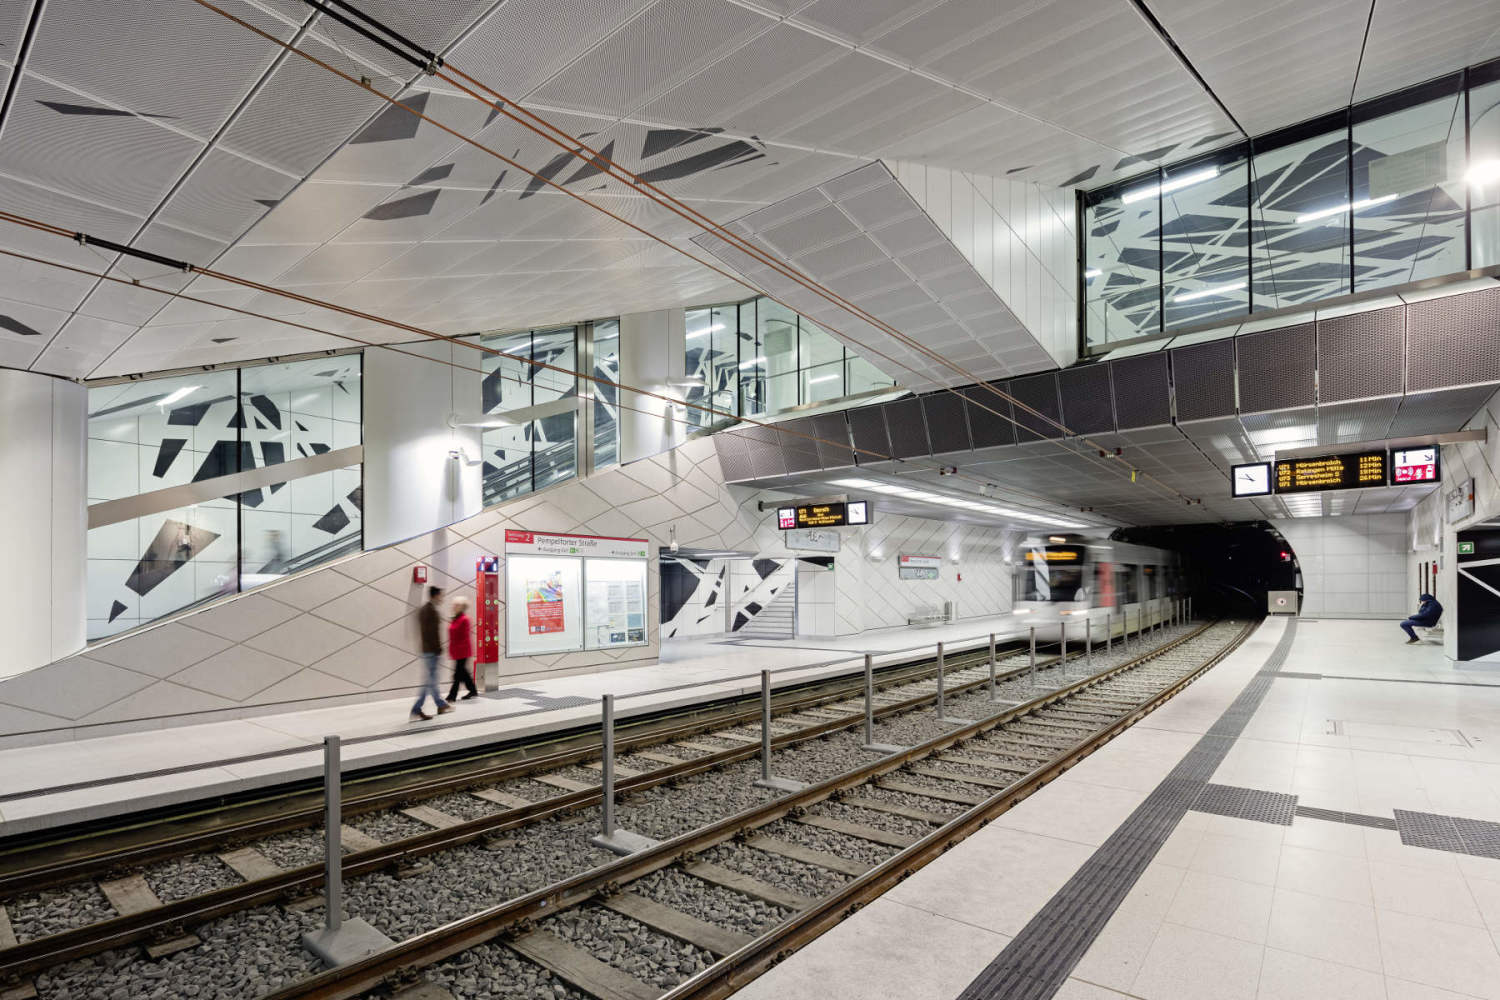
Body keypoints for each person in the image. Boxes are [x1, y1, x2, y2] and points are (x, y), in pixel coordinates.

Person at [411, 586, 454, 721]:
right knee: (429, 682)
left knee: (432, 681)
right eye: (441, 596)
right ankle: (416, 709)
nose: (442, 599)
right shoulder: (431, 611)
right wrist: (438, 649)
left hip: (427, 650)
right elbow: (432, 634)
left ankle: (440, 704)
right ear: (435, 596)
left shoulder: (423, 610)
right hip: (432, 651)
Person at [447, 596, 479, 703]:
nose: (454, 606)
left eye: (456, 605)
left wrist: (458, 650)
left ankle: (452, 695)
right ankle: (473, 690)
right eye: (454, 604)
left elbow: (464, 638)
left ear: (462, 607)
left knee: (457, 674)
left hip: (463, 651)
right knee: (463, 673)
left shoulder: (465, 619)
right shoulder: (455, 618)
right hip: (456, 650)